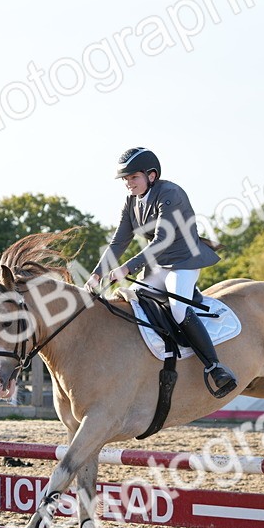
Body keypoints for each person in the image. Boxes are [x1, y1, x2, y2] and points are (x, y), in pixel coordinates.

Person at [85, 147, 237, 398]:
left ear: (151, 175)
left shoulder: (170, 193)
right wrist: (97, 273)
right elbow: (118, 241)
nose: (128, 183)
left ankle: (215, 366)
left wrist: (127, 268)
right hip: (157, 266)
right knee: (130, 301)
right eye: (126, 179)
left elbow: (162, 240)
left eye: (133, 177)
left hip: (184, 261)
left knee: (178, 308)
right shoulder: (132, 202)